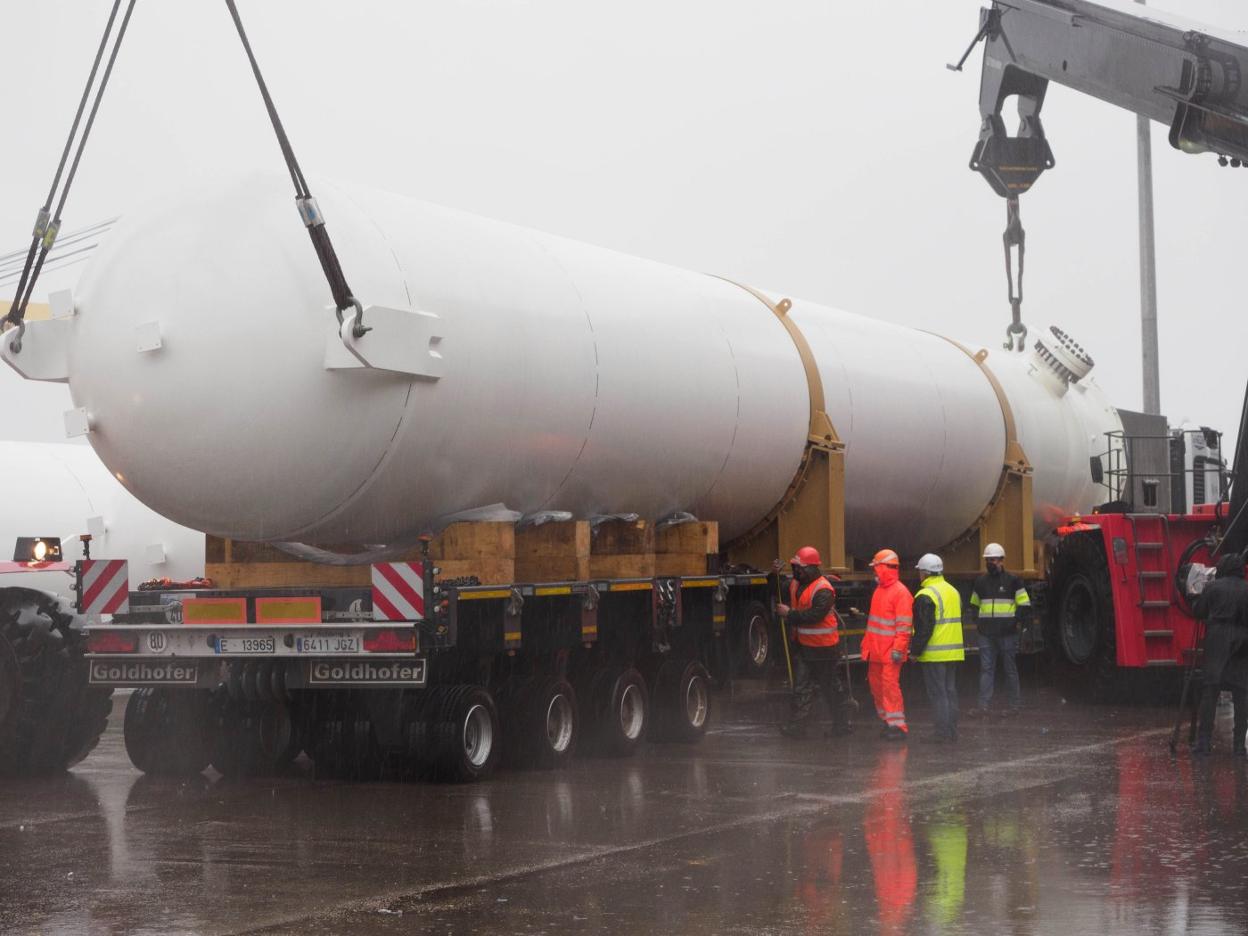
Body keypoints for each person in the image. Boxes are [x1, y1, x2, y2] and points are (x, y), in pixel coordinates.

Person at [776, 546, 852, 739]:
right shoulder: (796, 584)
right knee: (801, 688)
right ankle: (797, 727)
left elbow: (815, 615)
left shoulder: (823, 589)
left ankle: (842, 725)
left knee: (830, 688)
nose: (796, 571)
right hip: (805, 646)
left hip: (824, 649)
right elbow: (777, 587)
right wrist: (773, 574)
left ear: (811, 568)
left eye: (799, 568)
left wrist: (789, 614)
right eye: (794, 567)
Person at [1191, 553, 1248, 757]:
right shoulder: (1246, 589)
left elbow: (1198, 612)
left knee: (1210, 691)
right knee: (1241, 694)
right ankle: (1239, 746)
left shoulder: (1213, 587)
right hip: (1241, 641)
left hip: (1217, 640)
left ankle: (1204, 743)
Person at [966, 543, 1031, 718]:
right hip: (986, 634)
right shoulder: (980, 582)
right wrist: (979, 623)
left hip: (1007, 634)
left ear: (1001, 561)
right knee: (986, 669)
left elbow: (1024, 605)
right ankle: (983, 707)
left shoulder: (1013, 581)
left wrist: (1013, 623)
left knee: (1009, 669)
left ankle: (1014, 706)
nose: (990, 563)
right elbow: (974, 605)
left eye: (993, 560)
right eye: (988, 560)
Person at [909, 553, 964, 743]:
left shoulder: (925, 595)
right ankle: (952, 730)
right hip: (953, 652)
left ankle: (942, 732)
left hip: (934, 654)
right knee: (950, 691)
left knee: (938, 694)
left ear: (924, 573)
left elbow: (924, 628)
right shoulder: (953, 591)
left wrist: (915, 651)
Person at [861, 548, 912, 740]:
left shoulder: (900, 593)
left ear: (883, 568)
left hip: (890, 652)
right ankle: (888, 721)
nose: (874, 571)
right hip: (876, 651)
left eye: (876, 567)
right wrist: (867, 647)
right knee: (877, 687)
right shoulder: (880, 591)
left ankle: (897, 726)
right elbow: (874, 624)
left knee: (889, 687)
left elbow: (904, 626)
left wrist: (898, 649)